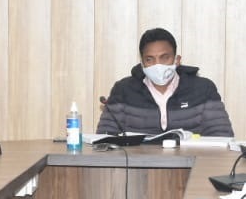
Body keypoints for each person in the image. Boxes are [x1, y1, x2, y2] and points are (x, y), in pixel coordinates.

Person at [96, 28, 233, 137]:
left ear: (177, 60)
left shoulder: (203, 89)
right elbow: (105, 138)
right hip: (137, 163)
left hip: (192, 162)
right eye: (149, 59)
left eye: (164, 58)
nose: (158, 65)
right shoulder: (123, 90)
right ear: (142, 63)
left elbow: (222, 136)